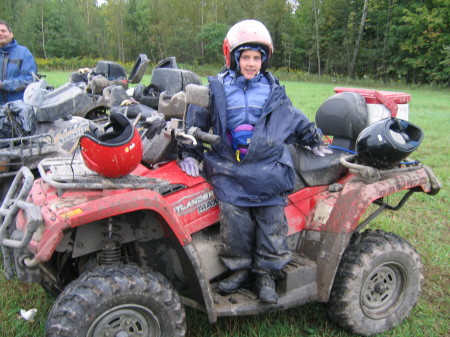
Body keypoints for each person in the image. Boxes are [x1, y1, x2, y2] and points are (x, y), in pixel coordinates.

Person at [178, 19, 331, 304]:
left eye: (256, 57)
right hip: (230, 170)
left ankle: (266, 276)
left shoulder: (274, 91)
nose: (251, 63)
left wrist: (312, 137)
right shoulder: (217, 89)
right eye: (245, 57)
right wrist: (189, 152)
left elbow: (294, 119)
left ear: (264, 59)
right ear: (234, 58)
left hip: (269, 169)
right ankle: (238, 270)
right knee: (234, 224)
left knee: (272, 225)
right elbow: (195, 122)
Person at [0, 20, 37, 105]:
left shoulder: (23, 53)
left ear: (11, 34)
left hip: (18, 108)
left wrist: (3, 85)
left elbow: (28, 79)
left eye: (3, 31)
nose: (0, 33)